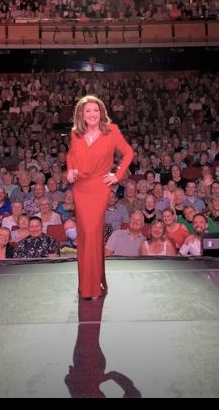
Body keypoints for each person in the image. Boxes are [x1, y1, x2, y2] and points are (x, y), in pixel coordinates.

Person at [66, 95, 133, 299]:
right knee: (85, 236)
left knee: (93, 232)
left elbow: (128, 153)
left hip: (100, 187)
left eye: (96, 110)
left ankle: (92, 287)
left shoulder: (111, 131)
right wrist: (70, 170)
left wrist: (117, 176)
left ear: (101, 112)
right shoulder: (75, 133)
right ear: (82, 114)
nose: (92, 114)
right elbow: (71, 155)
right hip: (80, 188)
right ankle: (89, 283)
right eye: (88, 111)